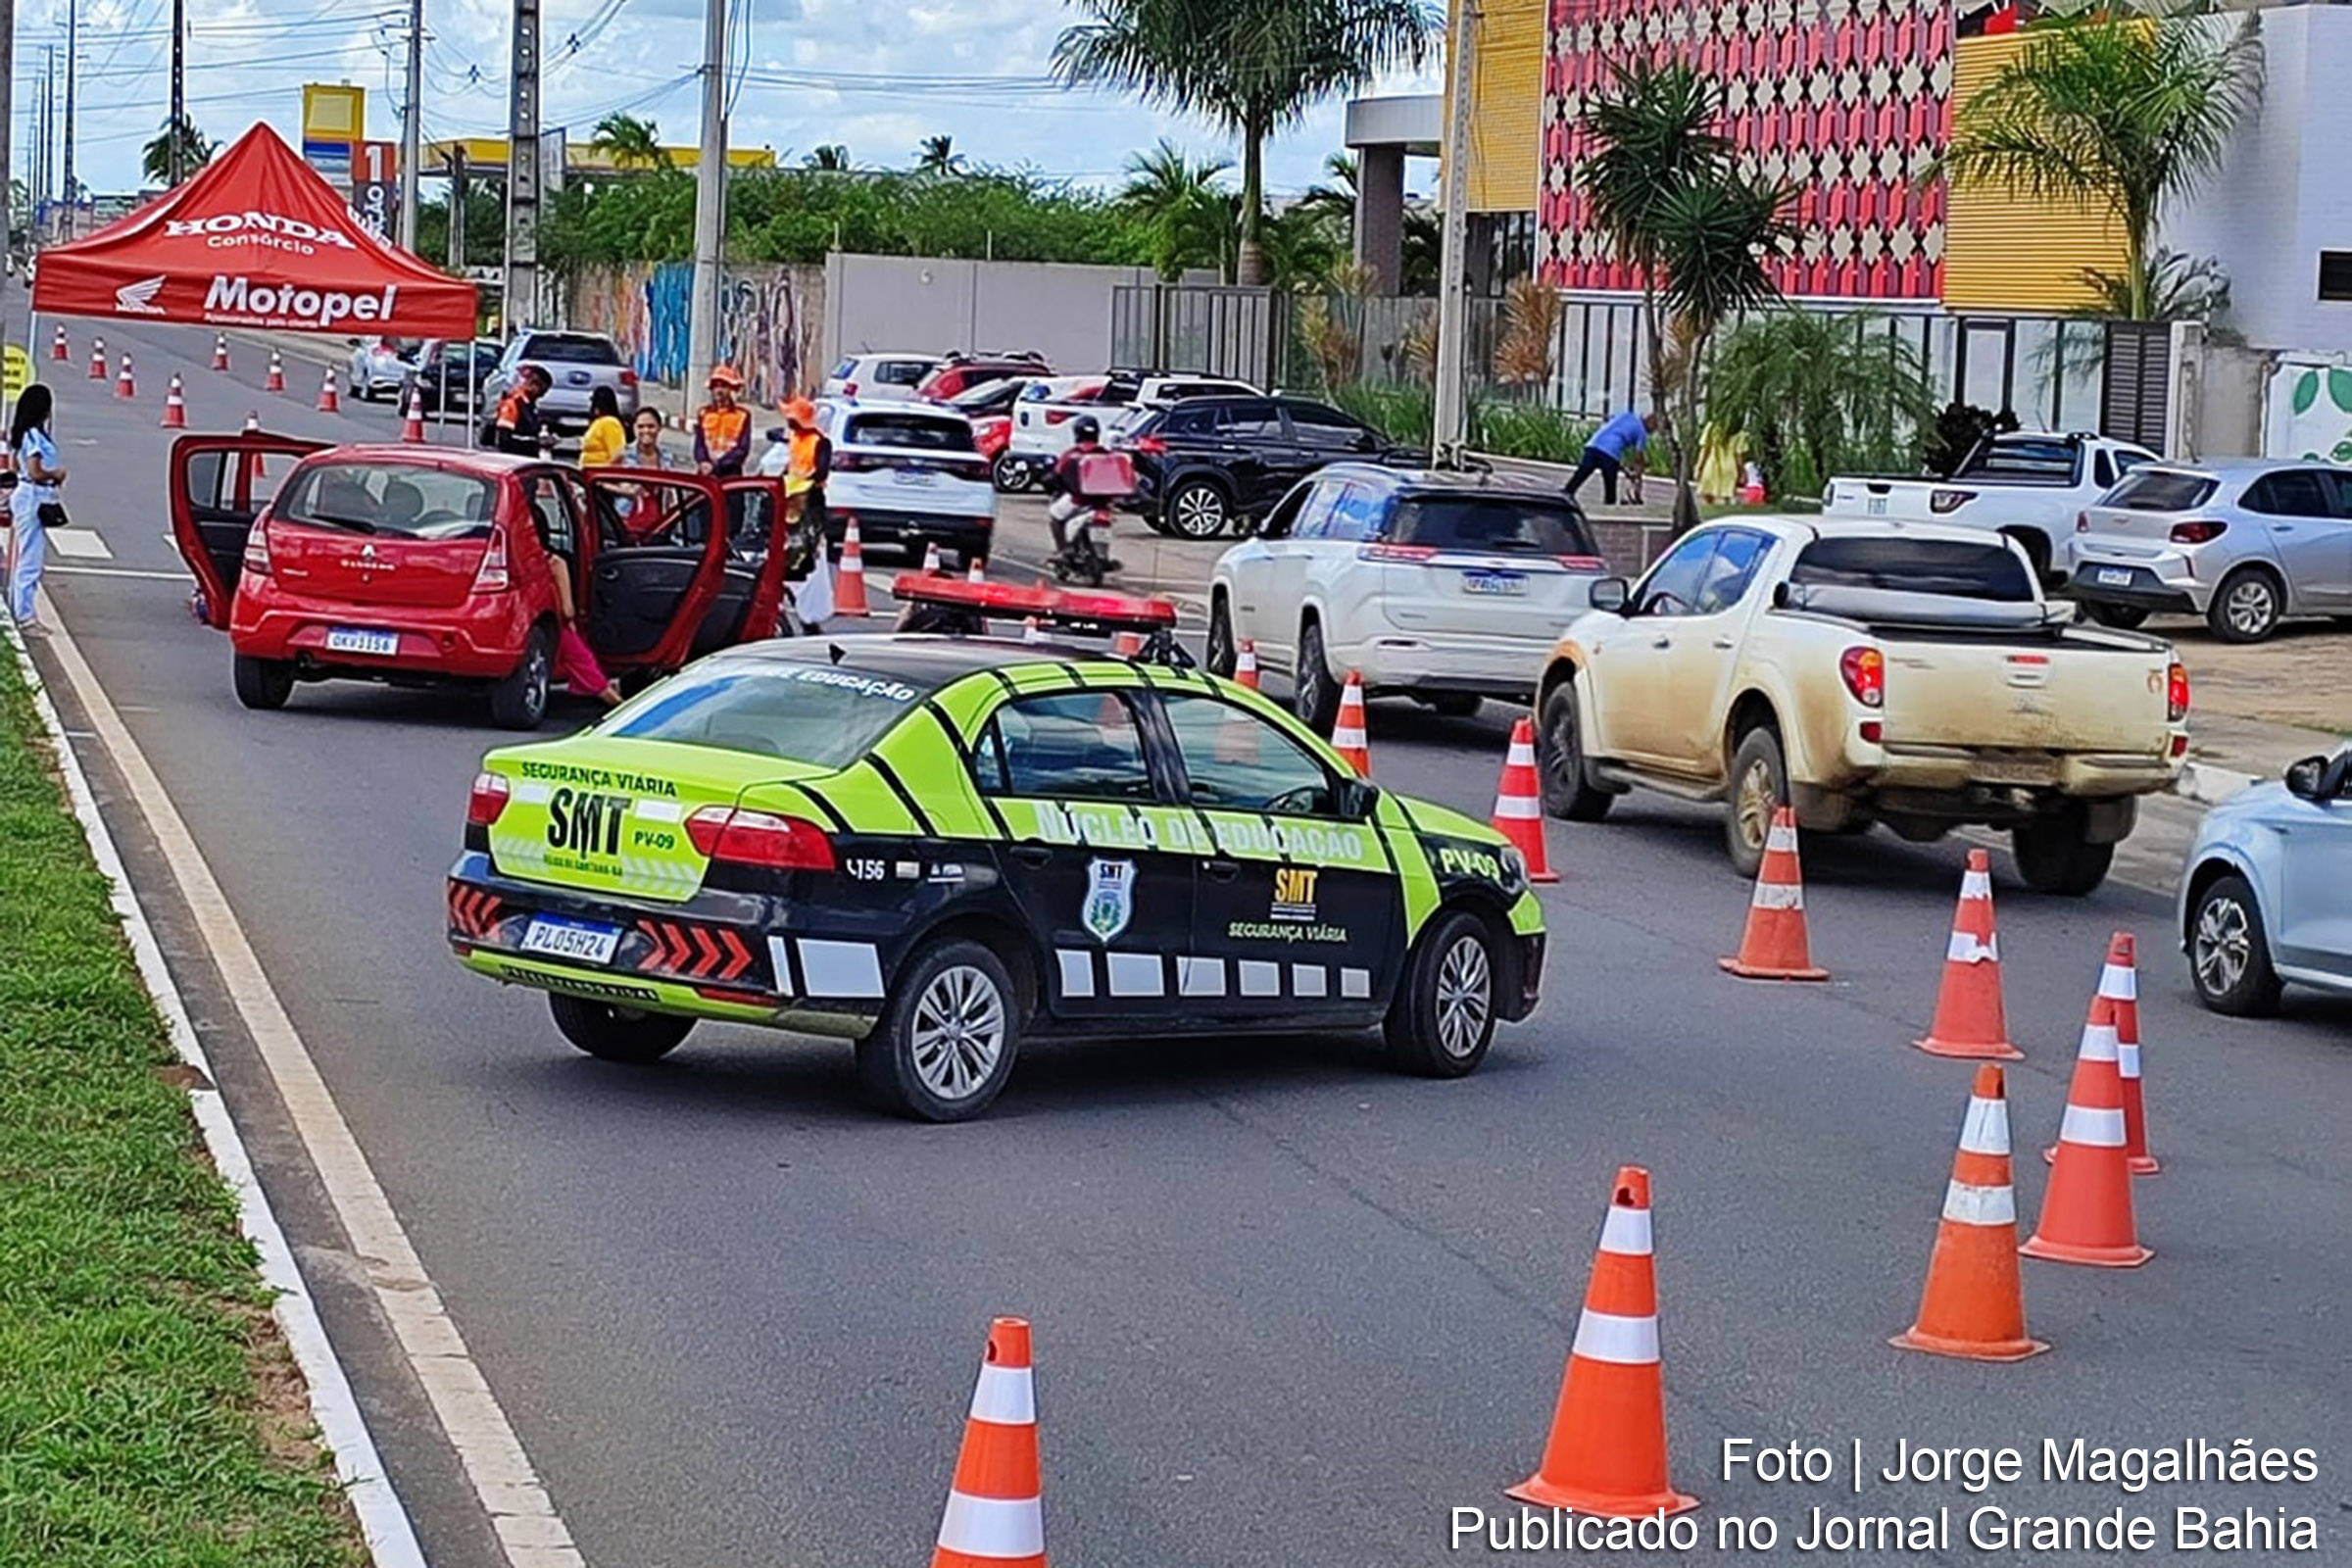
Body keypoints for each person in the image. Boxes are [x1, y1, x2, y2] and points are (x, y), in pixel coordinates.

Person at [8, 384, 64, 634]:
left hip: (33, 494)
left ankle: (21, 610)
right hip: (33, 495)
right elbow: (34, 471)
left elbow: (15, 465)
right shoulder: (33, 436)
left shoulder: (29, 434)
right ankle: (25, 616)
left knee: (30, 555)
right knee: (31, 558)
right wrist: (55, 474)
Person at [1042, 416, 1119, 562]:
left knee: (1055, 516)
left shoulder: (1072, 454)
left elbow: (1056, 474)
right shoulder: (1107, 455)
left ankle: (1063, 550)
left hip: (1079, 500)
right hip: (1103, 503)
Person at [781, 397, 832, 578]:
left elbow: (821, 470)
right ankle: (788, 565)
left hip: (810, 497)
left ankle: (803, 568)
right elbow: (791, 464)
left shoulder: (819, 441)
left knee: (807, 535)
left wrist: (805, 483)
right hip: (790, 496)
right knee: (788, 533)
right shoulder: (794, 437)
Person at [1565, 408, 1656, 506]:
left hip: (1594, 444)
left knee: (1581, 474)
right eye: (1655, 428)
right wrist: (1639, 472)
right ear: (1651, 423)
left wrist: (1624, 469)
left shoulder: (1628, 415)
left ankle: (1566, 494)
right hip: (1610, 452)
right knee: (1610, 487)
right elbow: (1638, 457)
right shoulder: (1641, 432)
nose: (1654, 432)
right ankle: (1609, 506)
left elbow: (1618, 431)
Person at [694, 365, 752, 478]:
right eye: (716, 386)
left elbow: (742, 449)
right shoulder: (703, 413)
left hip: (730, 474)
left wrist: (718, 466)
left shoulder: (742, 415)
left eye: (724, 386)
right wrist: (703, 461)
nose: (719, 391)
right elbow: (699, 444)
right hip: (706, 473)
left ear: (731, 389)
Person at [490, 365, 552, 455]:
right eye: (543, 390)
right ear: (533, 385)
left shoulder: (529, 404)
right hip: (515, 459)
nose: (543, 395)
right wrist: (533, 443)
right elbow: (504, 439)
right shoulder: (513, 404)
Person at [579, 386, 627, 469]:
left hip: (600, 475)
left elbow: (618, 454)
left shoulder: (610, 423)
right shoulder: (597, 422)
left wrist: (604, 471)